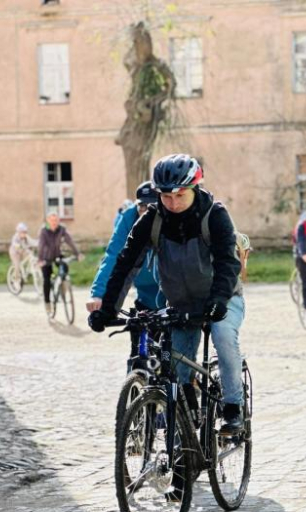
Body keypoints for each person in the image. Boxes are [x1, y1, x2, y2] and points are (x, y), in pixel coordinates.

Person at [88, 154, 246, 433]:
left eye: (179, 196)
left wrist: (219, 300)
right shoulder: (153, 219)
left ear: (194, 188)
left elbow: (228, 262)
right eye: (165, 197)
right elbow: (125, 263)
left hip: (223, 299)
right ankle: (187, 427)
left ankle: (233, 408)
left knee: (222, 337)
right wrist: (108, 309)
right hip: (181, 304)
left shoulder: (215, 214)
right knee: (176, 369)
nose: (172, 203)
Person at [88, 181, 164, 316]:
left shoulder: (169, 217)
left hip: (171, 292)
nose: (145, 211)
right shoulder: (128, 218)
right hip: (144, 293)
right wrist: (98, 294)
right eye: (141, 206)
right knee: (138, 329)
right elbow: (113, 255)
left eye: (150, 206)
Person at [38, 212, 83, 316]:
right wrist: (40, 259)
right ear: (48, 220)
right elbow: (40, 245)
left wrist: (78, 253)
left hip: (58, 255)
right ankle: (47, 303)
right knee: (47, 280)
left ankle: (63, 285)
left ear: (58, 221)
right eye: (52, 220)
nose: (54, 222)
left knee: (65, 267)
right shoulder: (44, 231)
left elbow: (69, 241)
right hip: (46, 258)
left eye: (56, 220)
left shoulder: (62, 229)